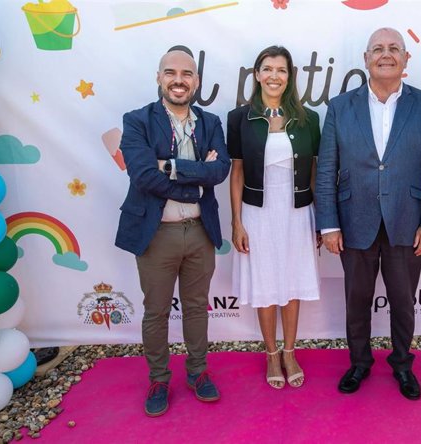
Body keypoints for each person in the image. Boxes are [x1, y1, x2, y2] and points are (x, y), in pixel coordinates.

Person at [315, 27, 421, 401]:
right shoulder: (340, 107)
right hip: (353, 219)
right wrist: (328, 223)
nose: (385, 54)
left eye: (394, 48)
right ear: (366, 60)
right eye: (378, 49)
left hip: (408, 221)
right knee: (356, 299)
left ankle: (403, 364)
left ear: (406, 59)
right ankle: (359, 363)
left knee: (404, 301)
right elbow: (326, 169)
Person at [115, 48, 230, 417]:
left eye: (186, 74)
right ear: (159, 77)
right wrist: (195, 176)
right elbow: (143, 175)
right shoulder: (137, 121)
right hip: (155, 233)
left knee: (197, 307)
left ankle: (197, 373)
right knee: (156, 311)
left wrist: (171, 167)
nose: (178, 80)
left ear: (196, 81)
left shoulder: (211, 122)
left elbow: (221, 171)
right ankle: (159, 378)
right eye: (171, 72)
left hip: (199, 230)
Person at [228, 46, 321, 390]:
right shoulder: (239, 118)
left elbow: (313, 172)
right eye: (267, 69)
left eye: (281, 70)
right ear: (256, 74)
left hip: (297, 211)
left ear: (289, 76)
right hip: (257, 212)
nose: (274, 76)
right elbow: (236, 173)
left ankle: (290, 351)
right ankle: (270, 353)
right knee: (265, 284)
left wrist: (320, 220)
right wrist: (237, 222)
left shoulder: (308, 118)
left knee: (292, 282)